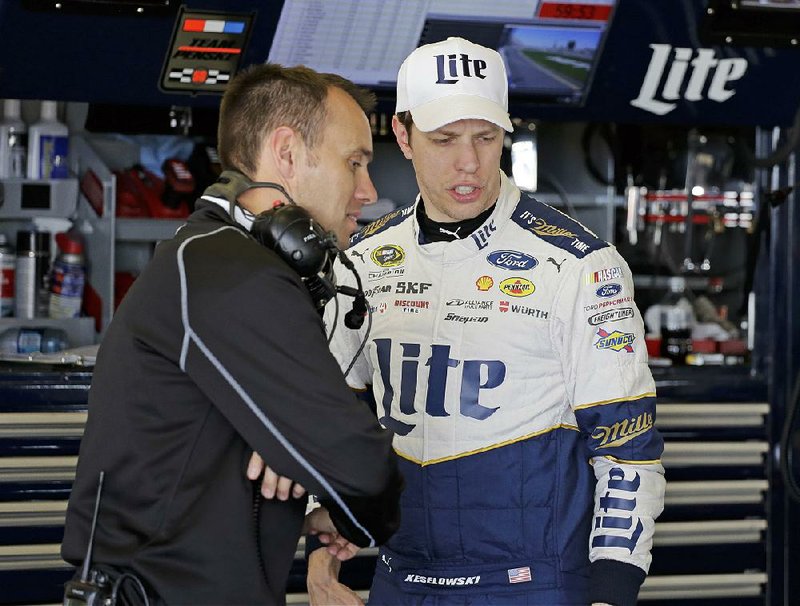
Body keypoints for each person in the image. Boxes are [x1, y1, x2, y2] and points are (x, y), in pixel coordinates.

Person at [308, 37, 667, 606]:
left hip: (533, 583)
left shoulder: (579, 264)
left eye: (486, 136)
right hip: (401, 579)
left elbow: (627, 448)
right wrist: (321, 554)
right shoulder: (361, 261)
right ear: (401, 136)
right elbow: (329, 420)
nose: (469, 161)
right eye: (445, 139)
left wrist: (612, 590)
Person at [61, 63, 403, 605]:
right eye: (354, 162)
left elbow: (312, 440)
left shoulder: (220, 259)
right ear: (287, 153)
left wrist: (296, 448)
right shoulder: (230, 271)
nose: (368, 189)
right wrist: (354, 511)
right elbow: (358, 463)